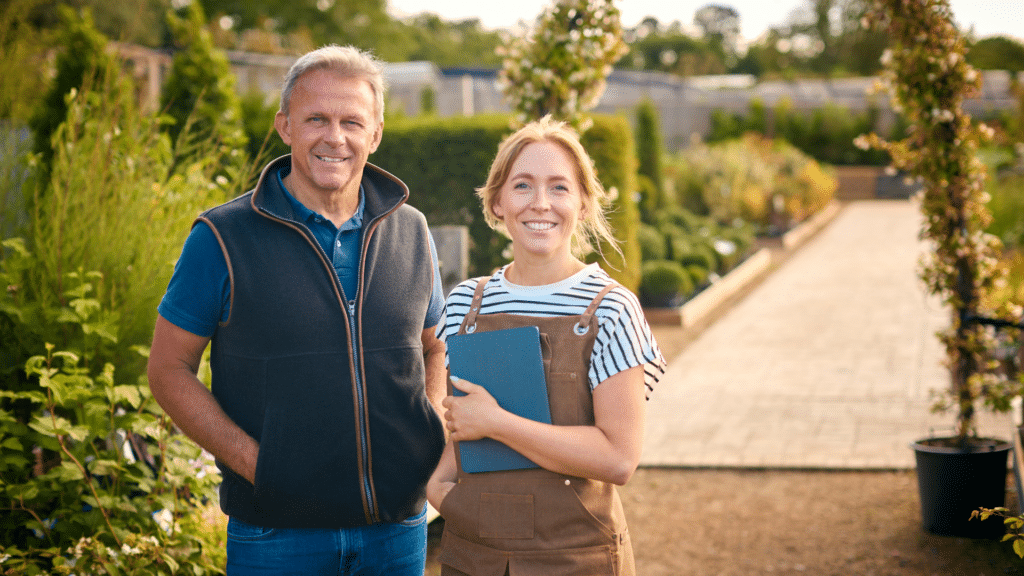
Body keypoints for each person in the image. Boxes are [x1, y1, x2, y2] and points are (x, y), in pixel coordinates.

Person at [147, 44, 447, 575]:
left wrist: (427, 433)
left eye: (352, 122)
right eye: (317, 119)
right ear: (286, 126)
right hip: (276, 537)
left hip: (396, 533)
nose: (335, 137)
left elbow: (433, 346)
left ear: (375, 134)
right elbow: (168, 370)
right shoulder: (222, 237)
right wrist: (261, 466)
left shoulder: (412, 230)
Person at [426, 116, 666, 576]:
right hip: (473, 555)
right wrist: (440, 488)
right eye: (522, 186)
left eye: (559, 187)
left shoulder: (611, 309)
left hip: (578, 558)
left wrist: (497, 422)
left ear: (583, 203)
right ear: (496, 201)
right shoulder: (464, 305)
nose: (541, 203)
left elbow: (618, 458)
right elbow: (455, 429)